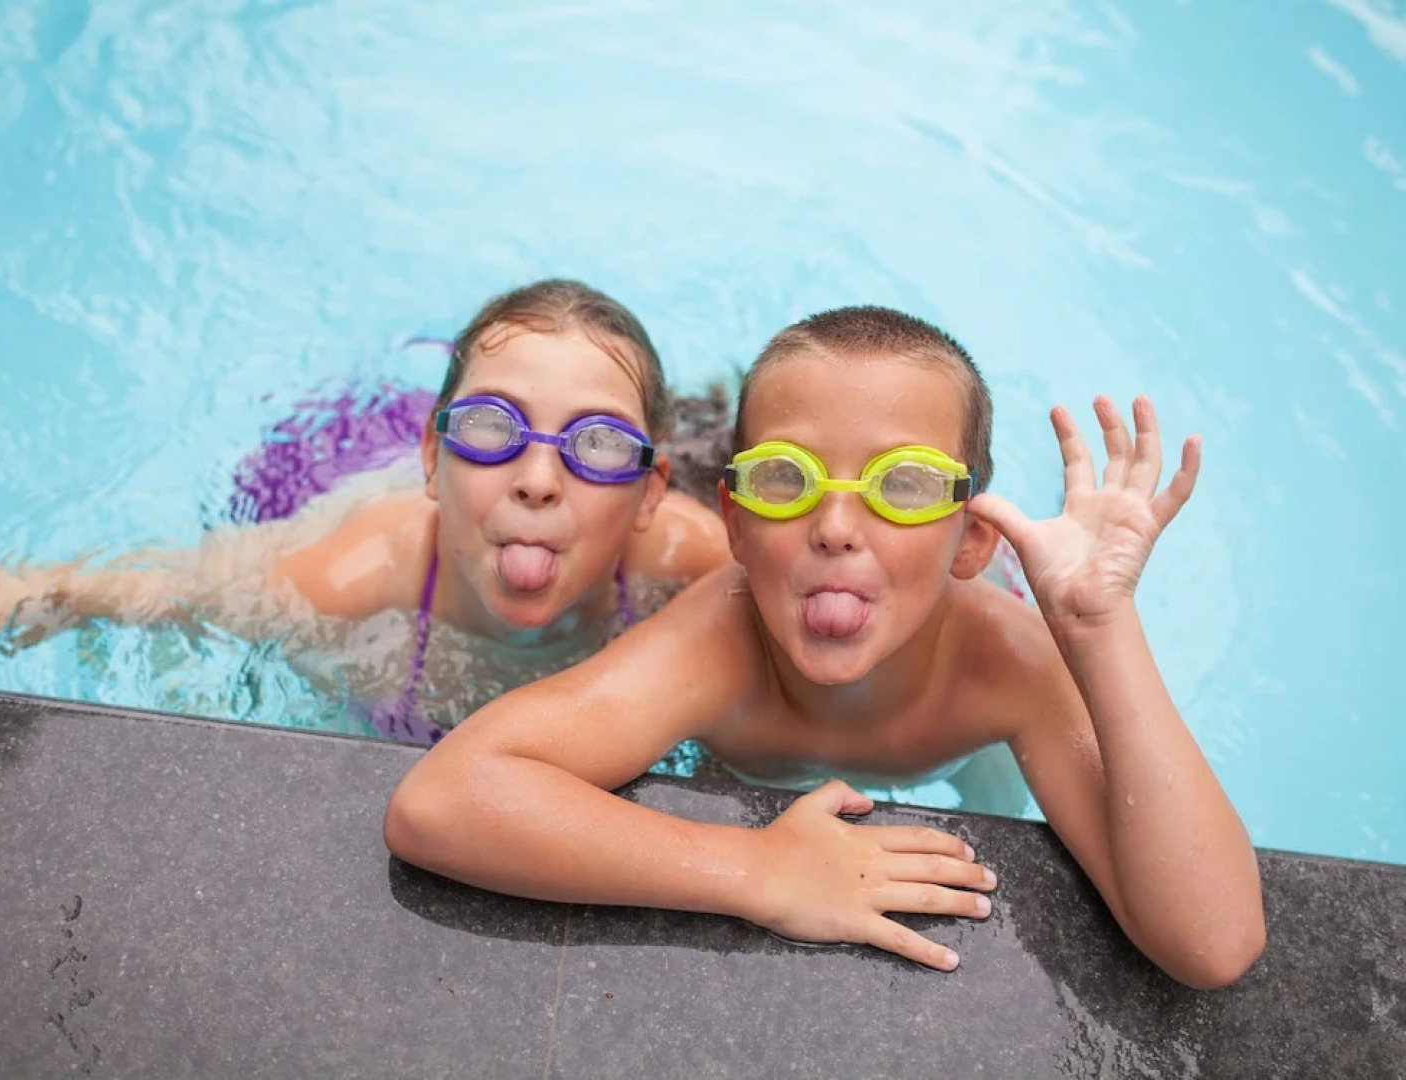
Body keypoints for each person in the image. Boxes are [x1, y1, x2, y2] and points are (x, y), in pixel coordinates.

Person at [382, 305, 1266, 988]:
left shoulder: (1011, 662)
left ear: (971, 541)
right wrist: (754, 870)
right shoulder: (720, 633)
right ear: (732, 525)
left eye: (903, 486)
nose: (837, 527)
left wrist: (1099, 631)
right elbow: (443, 801)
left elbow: (1214, 944)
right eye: (785, 480)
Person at [0, 280, 732, 742]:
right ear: (435, 457)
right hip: (334, 472)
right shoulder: (352, 575)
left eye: (596, 444)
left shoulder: (685, 561)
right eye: (492, 426)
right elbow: (94, 587)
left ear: (650, 490)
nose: (539, 480)